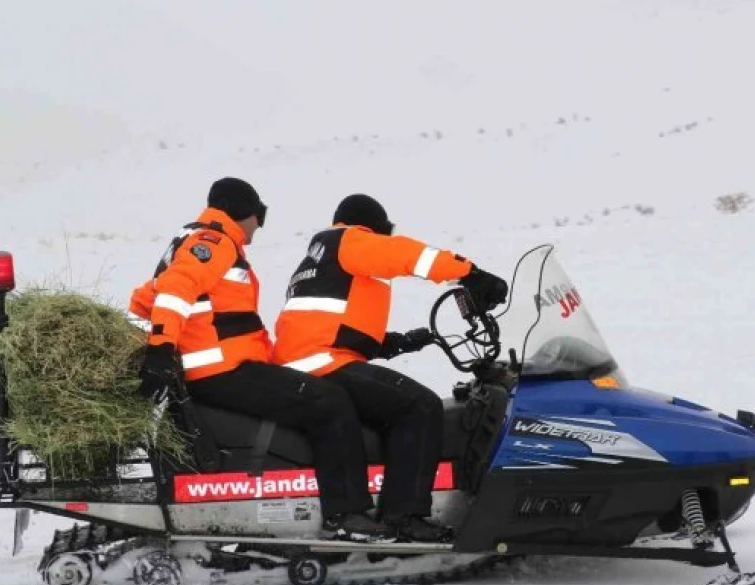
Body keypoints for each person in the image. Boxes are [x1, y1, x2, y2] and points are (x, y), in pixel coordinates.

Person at [128, 178, 395, 543]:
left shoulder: (191, 239)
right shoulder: (214, 241)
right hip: (222, 370)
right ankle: (346, 512)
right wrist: (161, 348)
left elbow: (145, 298)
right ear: (245, 212)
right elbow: (176, 290)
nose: (259, 226)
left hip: (220, 365)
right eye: (260, 215)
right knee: (329, 401)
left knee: (311, 395)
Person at [271, 193, 508, 542]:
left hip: (310, 356)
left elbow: (328, 320)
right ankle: (404, 516)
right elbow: (407, 255)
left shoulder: (319, 255)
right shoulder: (350, 238)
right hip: (321, 361)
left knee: (393, 402)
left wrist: (393, 342)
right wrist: (469, 273)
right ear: (374, 227)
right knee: (419, 405)